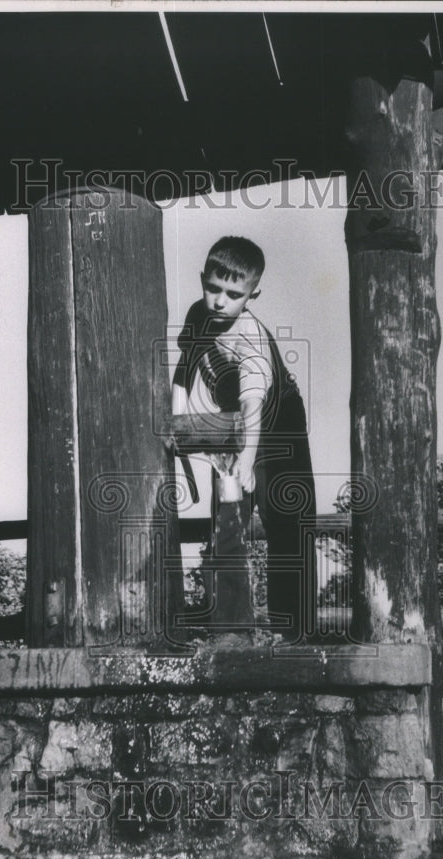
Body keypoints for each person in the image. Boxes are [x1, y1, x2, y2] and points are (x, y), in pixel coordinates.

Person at [172, 236, 316, 641]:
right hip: (233, 418)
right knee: (227, 521)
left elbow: (254, 407)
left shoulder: (249, 339)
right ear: (203, 279)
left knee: (289, 522)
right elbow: (185, 367)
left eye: (233, 294)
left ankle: (294, 635)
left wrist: (248, 461)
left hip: (276, 420)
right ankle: (228, 628)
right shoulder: (197, 316)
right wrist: (177, 422)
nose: (219, 301)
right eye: (213, 288)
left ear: (253, 294)